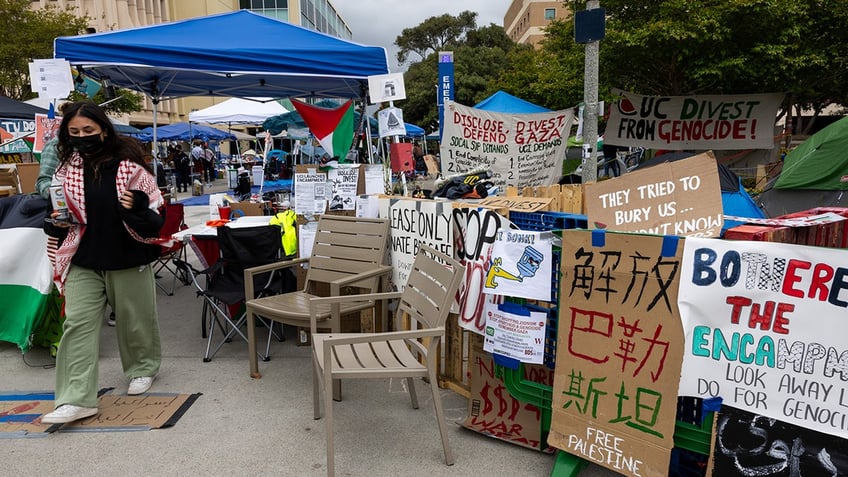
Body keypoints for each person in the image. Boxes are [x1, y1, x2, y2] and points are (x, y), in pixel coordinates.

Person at [40, 101, 165, 424]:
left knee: (134, 319)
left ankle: (142, 367)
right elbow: (59, 212)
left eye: (88, 131)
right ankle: (75, 398)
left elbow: (155, 221)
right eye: (75, 132)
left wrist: (136, 207)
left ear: (104, 130)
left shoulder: (129, 167)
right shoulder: (66, 170)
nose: (82, 136)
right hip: (83, 257)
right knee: (77, 325)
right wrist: (54, 223)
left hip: (127, 254)